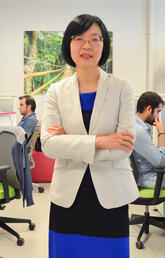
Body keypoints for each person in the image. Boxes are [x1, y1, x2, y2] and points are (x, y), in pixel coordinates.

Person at [41, 14, 139, 258]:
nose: (87, 46)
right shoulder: (56, 91)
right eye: (79, 38)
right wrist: (101, 141)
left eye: (95, 39)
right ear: (69, 44)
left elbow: (123, 147)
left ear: (104, 45)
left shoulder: (121, 88)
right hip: (68, 196)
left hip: (110, 195)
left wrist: (70, 142)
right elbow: (49, 146)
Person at [133, 91, 165, 214]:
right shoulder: (139, 131)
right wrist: (161, 131)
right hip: (149, 178)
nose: (158, 116)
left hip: (143, 174)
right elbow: (160, 162)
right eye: (158, 111)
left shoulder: (134, 125)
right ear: (148, 109)